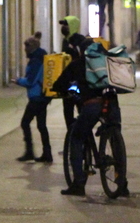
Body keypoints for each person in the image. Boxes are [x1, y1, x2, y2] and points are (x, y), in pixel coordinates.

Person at [52, 35, 128, 198]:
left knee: (77, 137)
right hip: (112, 104)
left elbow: (59, 85)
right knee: (115, 139)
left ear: (81, 51)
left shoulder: (78, 64)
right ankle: (122, 185)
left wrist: (65, 90)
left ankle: (78, 184)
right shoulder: (106, 62)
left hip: (92, 105)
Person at [15, 32, 53, 163]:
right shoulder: (43, 57)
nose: (25, 50)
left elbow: (30, 81)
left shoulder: (35, 61)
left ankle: (29, 152)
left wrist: (18, 81)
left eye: (26, 47)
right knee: (41, 126)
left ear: (31, 47)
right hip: (44, 96)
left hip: (36, 97)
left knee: (25, 123)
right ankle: (47, 153)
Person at [59, 15, 90, 129]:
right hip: (67, 80)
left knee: (81, 111)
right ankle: (71, 137)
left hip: (78, 80)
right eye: (63, 25)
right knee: (68, 112)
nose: (64, 27)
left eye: (66, 25)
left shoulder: (80, 40)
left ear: (73, 25)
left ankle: (84, 137)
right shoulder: (65, 41)